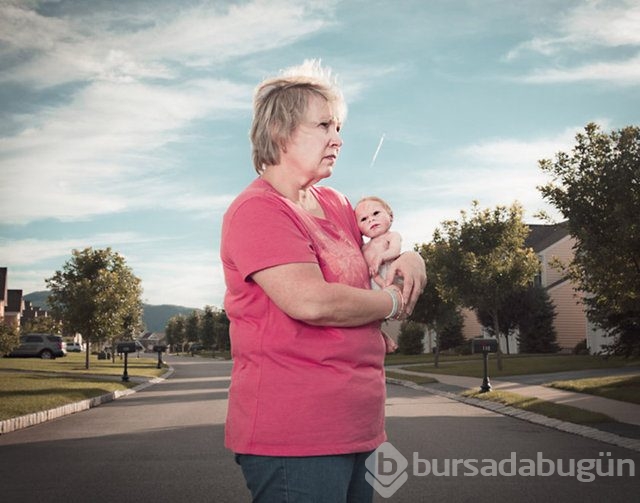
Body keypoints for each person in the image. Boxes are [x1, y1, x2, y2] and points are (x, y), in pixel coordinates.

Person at [220, 60, 427, 502]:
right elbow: (311, 301)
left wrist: (411, 255)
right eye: (324, 125)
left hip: (358, 424)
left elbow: (377, 257)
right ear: (280, 131)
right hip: (296, 434)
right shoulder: (258, 211)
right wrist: (392, 303)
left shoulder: (335, 202)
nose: (338, 138)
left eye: (339, 126)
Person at [355, 196, 402, 290]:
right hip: (376, 286)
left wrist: (380, 257)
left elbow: (395, 250)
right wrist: (383, 283)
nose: (371, 219)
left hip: (395, 278)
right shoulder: (364, 248)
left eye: (376, 213)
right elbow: (372, 273)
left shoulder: (392, 236)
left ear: (391, 216)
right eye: (364, 219)